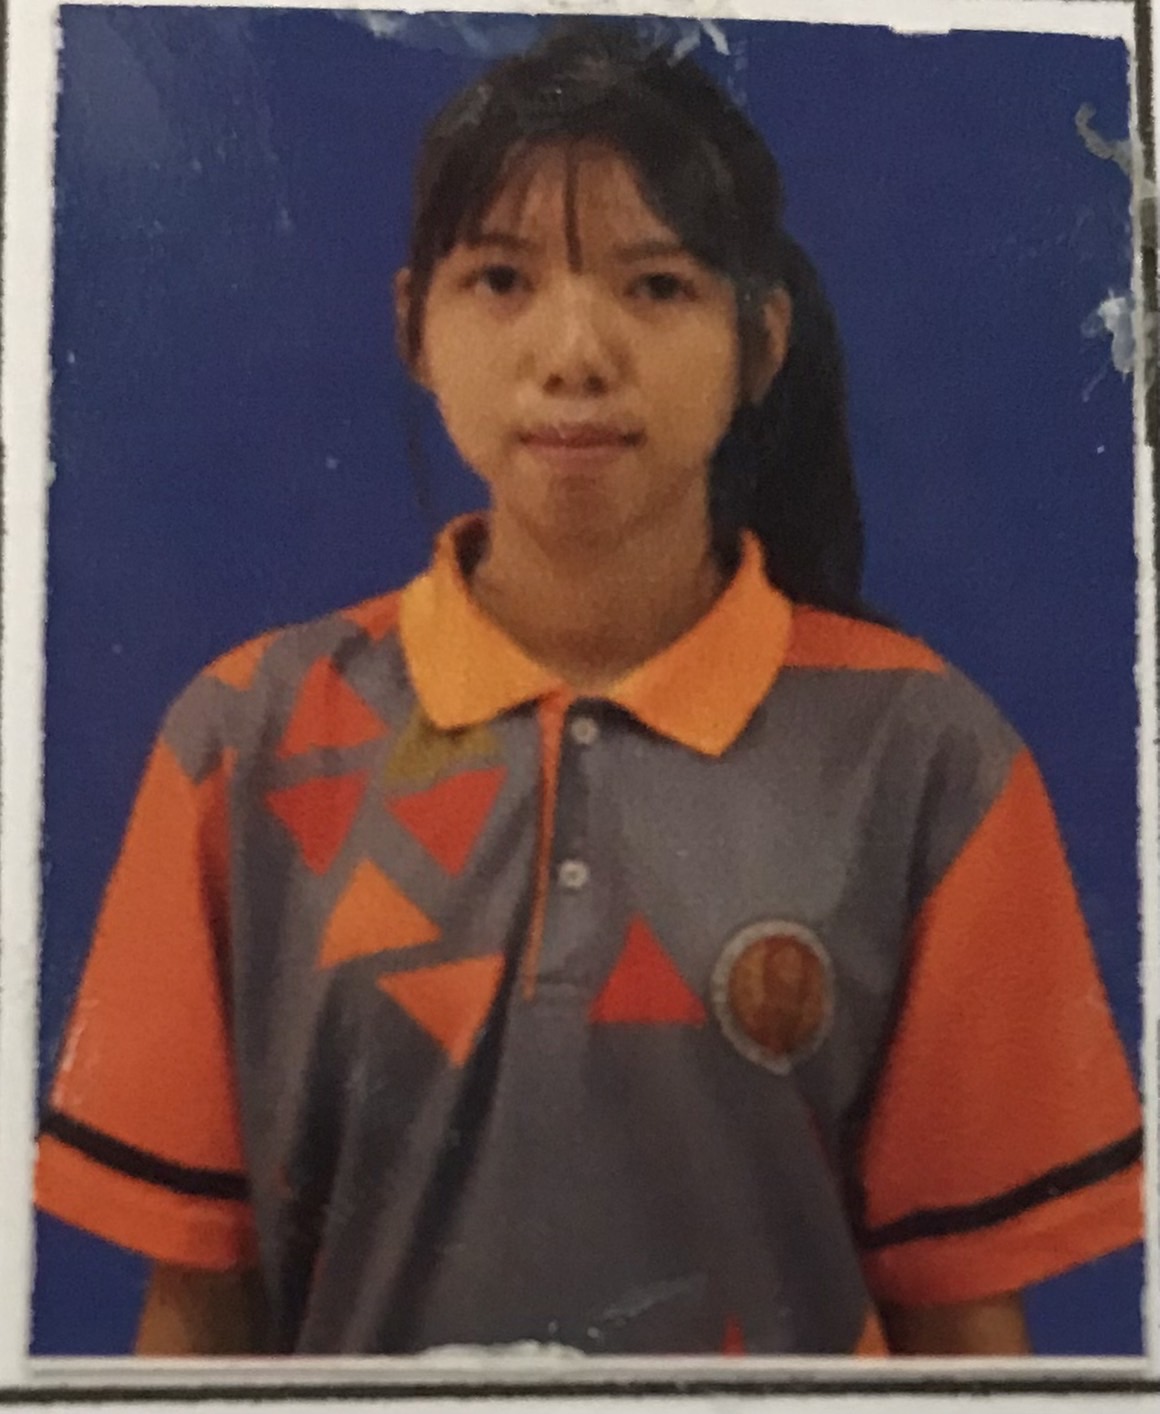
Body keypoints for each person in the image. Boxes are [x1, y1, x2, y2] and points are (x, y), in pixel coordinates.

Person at [35, 20, 1142, 1358]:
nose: (574, 352)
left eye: (657, 286)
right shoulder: (242, 740)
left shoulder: (926, 761)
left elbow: (963, 1326)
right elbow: (194, 1312)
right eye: (501, 280)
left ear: (760, 341)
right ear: (414, 326)